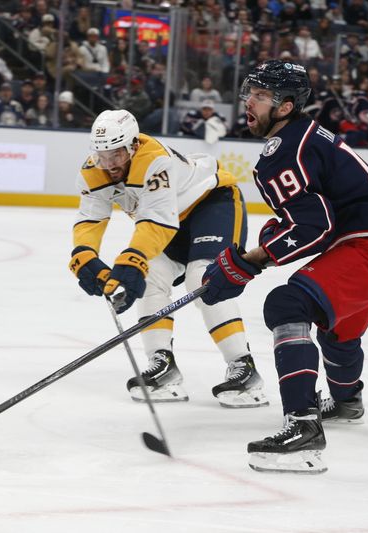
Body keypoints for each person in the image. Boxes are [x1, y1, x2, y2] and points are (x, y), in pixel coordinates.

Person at [200, 60, 368, 474]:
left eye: (260, 96)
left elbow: (315, 226)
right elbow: (309, 214)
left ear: (284, 107)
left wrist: (251, 263)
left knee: (287, 305)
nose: (249, 102)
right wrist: (251, 256)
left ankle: (302, 427)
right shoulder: (303, 136)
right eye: (250, 93)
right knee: (337, 332)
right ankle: (348, 401)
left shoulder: (284, 150)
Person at [68, 109, 268, 408]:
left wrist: (129, 260)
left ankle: (244, 367)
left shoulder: (153, 159)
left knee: (203, 278)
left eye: (116, 155)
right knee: (150, 280)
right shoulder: (93, 170)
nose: (109, 165)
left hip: (210, 205)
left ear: (133, 145)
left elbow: (157, 221)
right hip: (166, 221)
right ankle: (162, 365)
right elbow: (90, 219)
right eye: (102, 156)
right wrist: (84, 256)